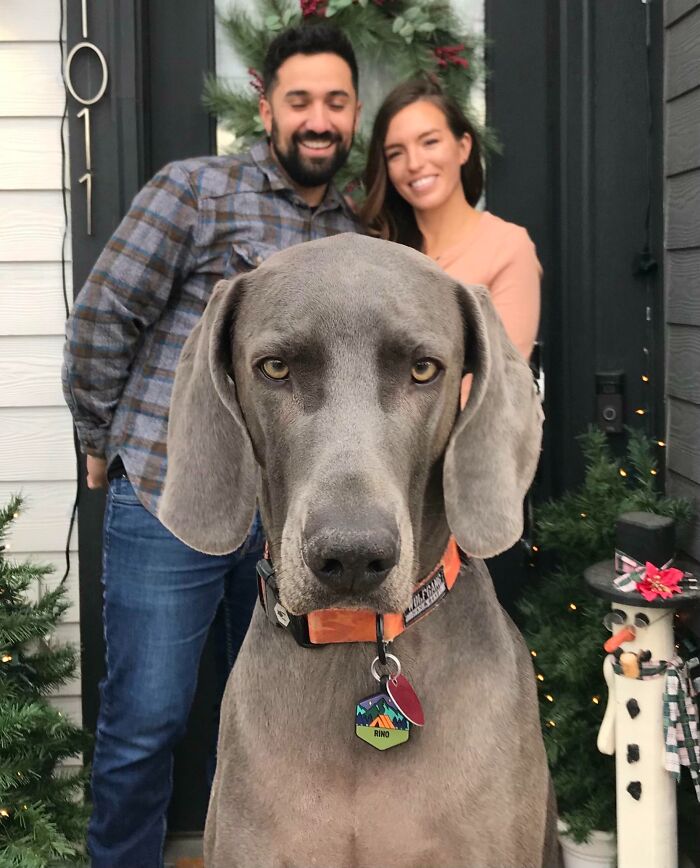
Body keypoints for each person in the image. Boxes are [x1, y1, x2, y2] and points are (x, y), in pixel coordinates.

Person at [62, 23, 361, 867]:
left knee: (282, 721)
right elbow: (103, 315)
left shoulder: (356, 237)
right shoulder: (194, 191)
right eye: (299, 99)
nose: (317, 119)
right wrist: (97, 431)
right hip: (172, 497)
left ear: (353, 113)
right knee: (148, 719)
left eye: (334, 102)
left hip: (290, 522)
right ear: (267, 107)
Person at [360, 77, 541, 367]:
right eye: (396, 153)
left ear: (463, 147)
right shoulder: (380, 253)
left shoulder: (508, 247)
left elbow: (502, 380)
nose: (414, 163)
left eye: (429, 142)